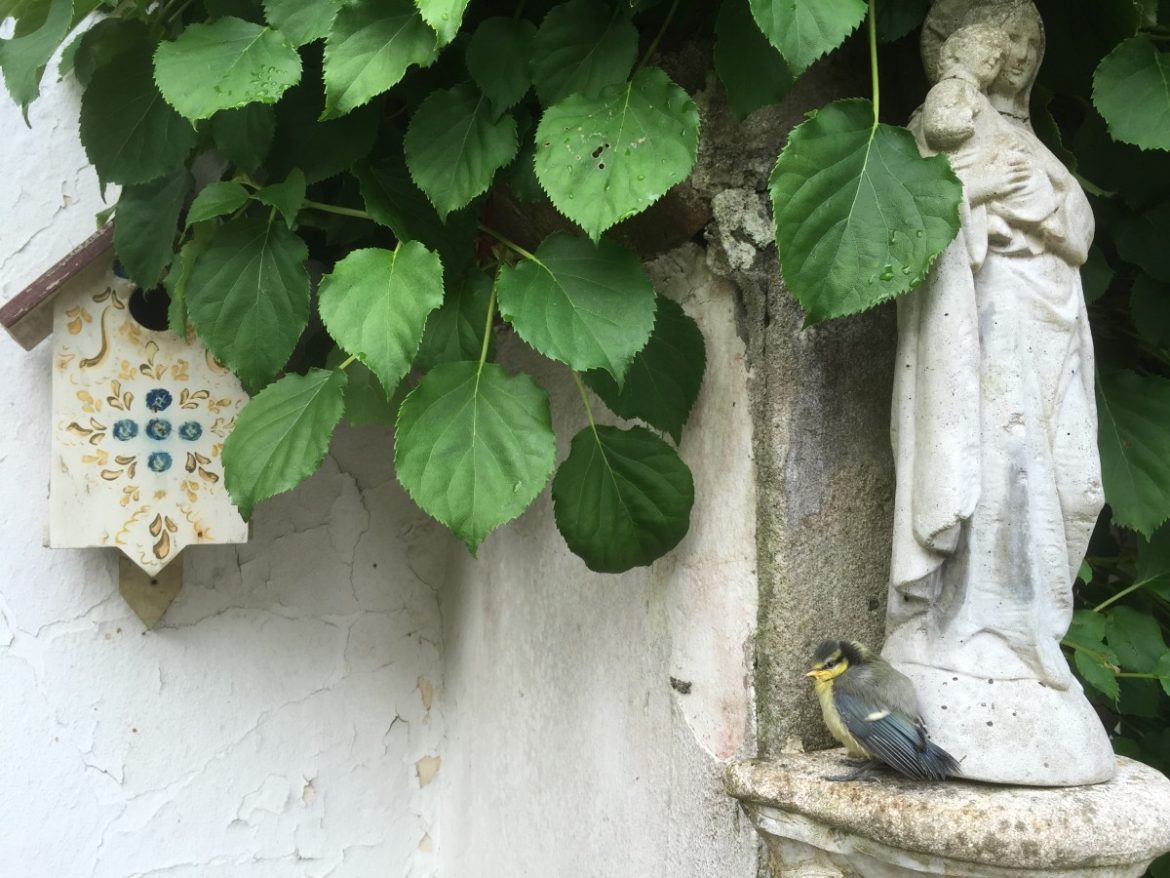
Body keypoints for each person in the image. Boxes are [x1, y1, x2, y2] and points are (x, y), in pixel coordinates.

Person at [885, 2, 1103, 690]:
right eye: (1006, 37)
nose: (1020, 53)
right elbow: (910, 223)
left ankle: (1034, 630)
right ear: (961, 47)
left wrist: (1047, 216)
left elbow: (1078, 224)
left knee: (1078, 487)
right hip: (988, 316)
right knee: (1002, 471)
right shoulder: (939, 119)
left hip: (1054, 316)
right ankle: (972, 632)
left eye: (1032, 39)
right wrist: (979, 194)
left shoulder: (1030, 139)